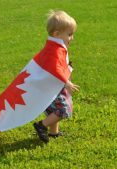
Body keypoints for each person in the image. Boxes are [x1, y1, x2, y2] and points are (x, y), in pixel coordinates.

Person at [33, 10, 79, 143]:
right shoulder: (55, 50)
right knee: (63, 109)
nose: (72, 38)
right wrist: (67, 82)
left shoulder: (55, 46)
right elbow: (55, 69)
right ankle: (41, 125)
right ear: (56, 34)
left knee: (55, 108)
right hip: (54, 86)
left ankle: (54, 132)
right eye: (69, 34)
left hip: (51, 86)